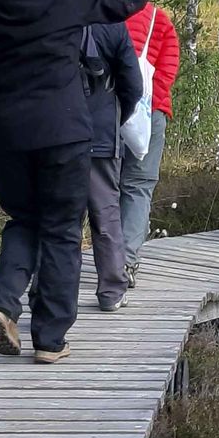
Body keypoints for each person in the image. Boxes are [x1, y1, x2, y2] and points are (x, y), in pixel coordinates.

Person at [0, 0, 169, 364]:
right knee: (62, 232)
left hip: (5, 133)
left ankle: (3, 304)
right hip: (63, 130)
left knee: (24, 220)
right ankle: (49, 339)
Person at [101, 0, 182, 288]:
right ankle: (127, 261)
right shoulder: (157, 19)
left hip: (102, 110)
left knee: (98, 187)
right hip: (147, 114)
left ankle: (68, 258)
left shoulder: (96, 14)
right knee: (137, 187)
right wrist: (153, 101)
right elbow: (169, 65)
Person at [83, 20, 142, 311]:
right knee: (106, 212)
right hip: (101, 132)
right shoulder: (112, 26)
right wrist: (117, 116)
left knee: (58, 217)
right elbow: (134, 85)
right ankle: (111, 290)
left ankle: (53, 292)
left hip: (53, 133)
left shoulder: (52, 14)